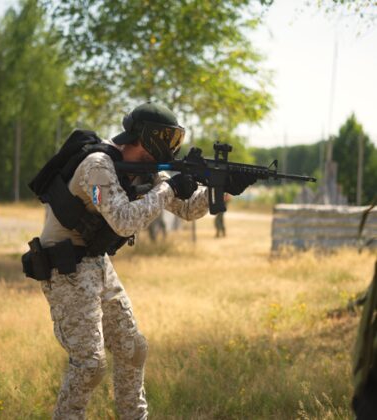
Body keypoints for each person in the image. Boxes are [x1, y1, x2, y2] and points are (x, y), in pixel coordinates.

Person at [25, 102, 255, 420]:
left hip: (96, 263)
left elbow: (188, 209)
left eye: (174, 139)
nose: (169, 147)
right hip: (65, 267)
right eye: (165, 138)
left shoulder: (145, 170)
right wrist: (168, 188)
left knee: (133, 349)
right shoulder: (97, 166)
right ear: (144, 137)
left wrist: (223, 188)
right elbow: (123, 220)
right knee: (90, 365)